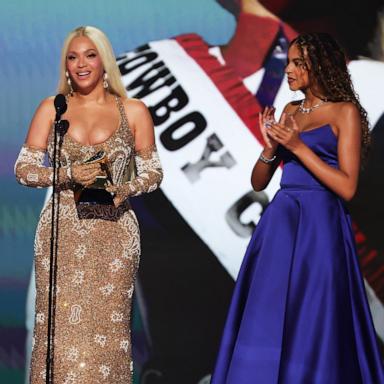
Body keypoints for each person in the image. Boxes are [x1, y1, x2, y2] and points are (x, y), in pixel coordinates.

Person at [211, 32, 384, 383]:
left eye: (297, 63)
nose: (288, 69)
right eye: (288, 61)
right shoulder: (290, 111)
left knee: (315, 315)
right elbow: (259, 182)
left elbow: (347, 186)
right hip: (281, 223)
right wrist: (271, 148)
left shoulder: (343, 112)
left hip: (321, 227)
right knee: (269, 313)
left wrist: (298, 147)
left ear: (319, 66)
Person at [14, 25, 163, 383]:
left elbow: (154, 171)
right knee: (59, 337)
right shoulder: (53, 108)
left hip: (114, 236)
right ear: (65, 64)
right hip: (62, 234)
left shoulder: (133, 110)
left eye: (90, 55)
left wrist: (123, 189)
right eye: (73, 56)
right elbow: (24, 168)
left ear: (104, 61)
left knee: (107, 338)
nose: (81, 64)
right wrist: (66, 174)